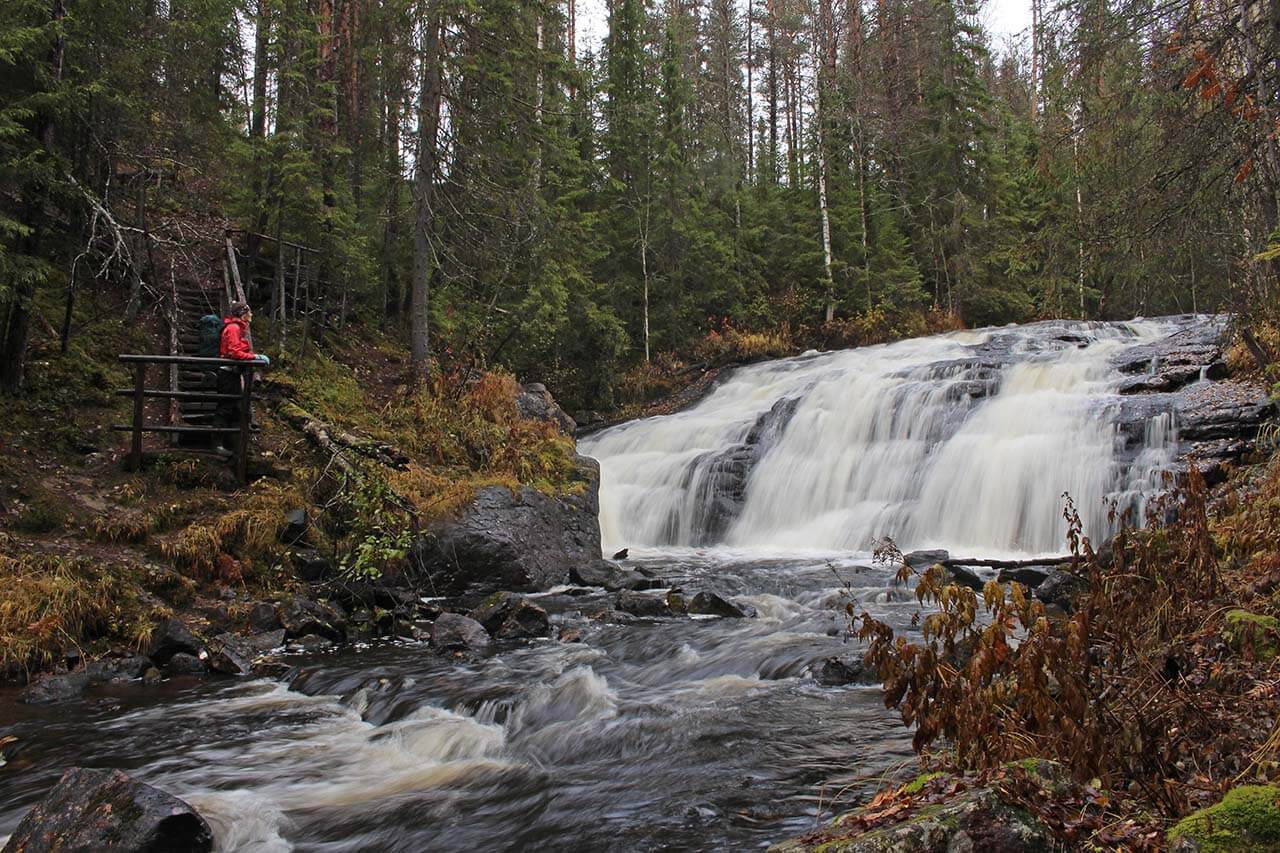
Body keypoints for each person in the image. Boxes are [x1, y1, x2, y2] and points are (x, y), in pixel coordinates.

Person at [215, 302, 269, 455]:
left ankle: (234, 445)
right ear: (242, 313)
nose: (251, 315)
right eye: (249, 312)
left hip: (232, 373)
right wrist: (254, 357)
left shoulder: (238, 328)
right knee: (225, 407)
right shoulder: (233, 328)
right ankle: (218, 445)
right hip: (227, 374)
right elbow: (234, 352)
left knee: (235, 406)